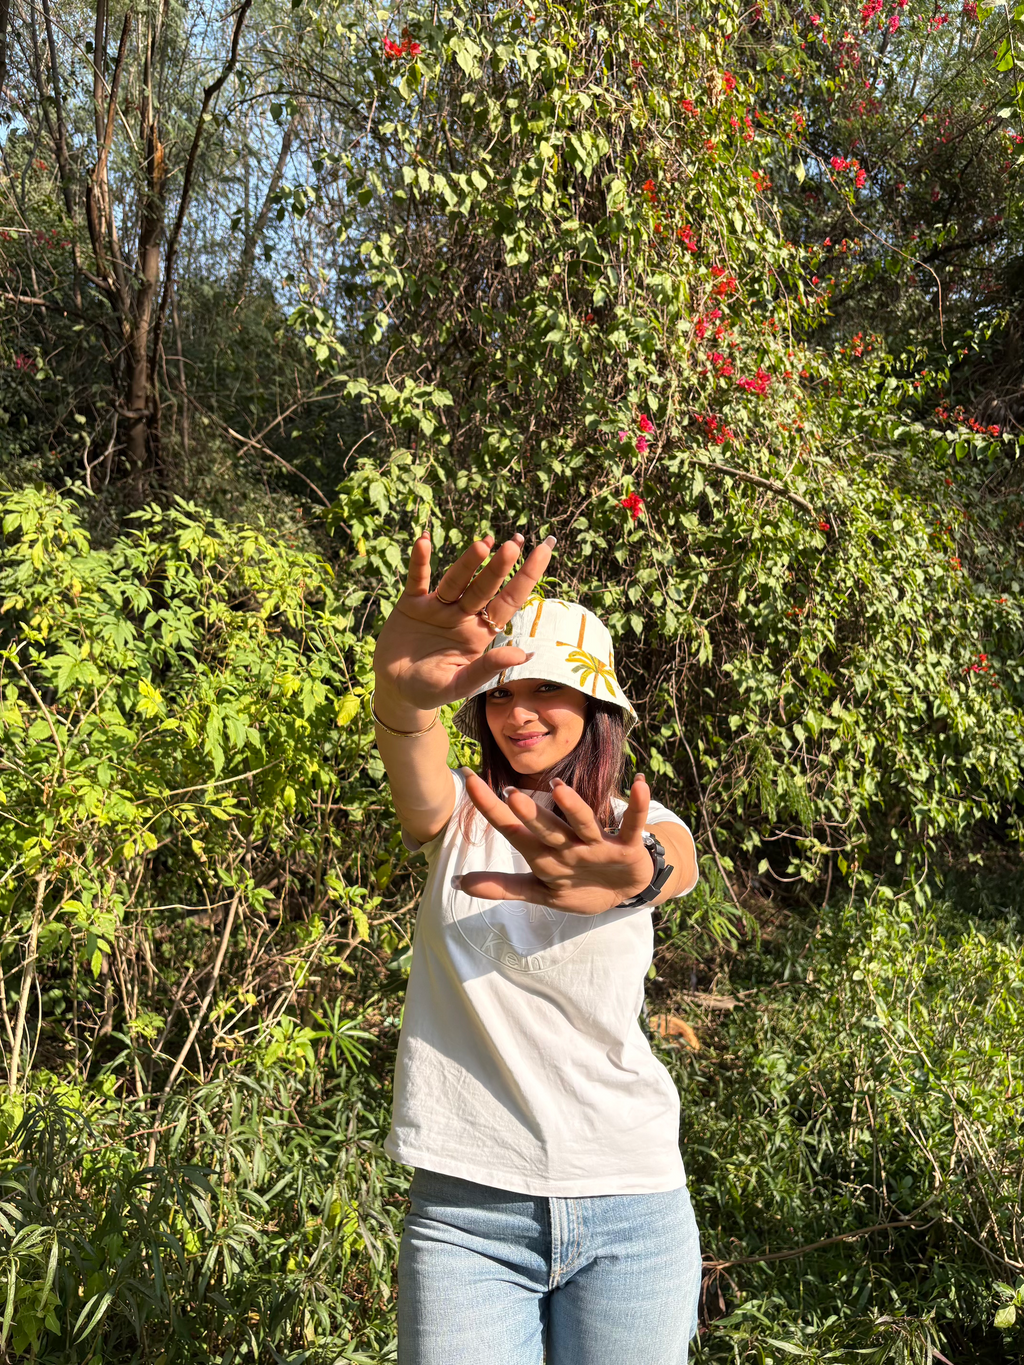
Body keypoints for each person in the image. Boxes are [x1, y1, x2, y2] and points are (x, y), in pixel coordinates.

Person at [371, 528, 703, 1365]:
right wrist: (402, 697)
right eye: (501, 691)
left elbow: (669, 860)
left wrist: (631, 874)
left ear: (597, 706)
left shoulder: (636, 819)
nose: (518, 712)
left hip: (632, 1206)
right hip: (467, 1215)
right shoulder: (455, 816)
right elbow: (414, 759)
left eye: (549, 688)